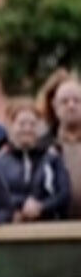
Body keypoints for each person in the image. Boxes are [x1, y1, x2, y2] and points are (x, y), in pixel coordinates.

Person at [0, 99, 71, 223]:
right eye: (22, 124)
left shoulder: (52, 159)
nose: (27, 129)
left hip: (48, 228)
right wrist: (22, 204)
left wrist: (41, 207)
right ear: (10, 126)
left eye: (32, 124)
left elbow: (63, 194)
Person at [47, 77, 81, 219]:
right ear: (55, 107)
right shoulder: (43, 146)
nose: (71, 106)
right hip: (55, 230)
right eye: (64, 101)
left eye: (77, 101)